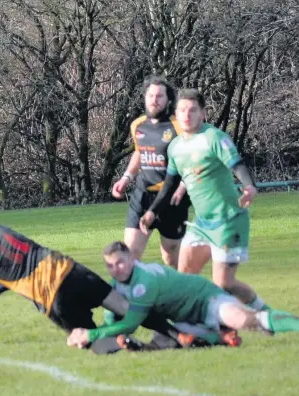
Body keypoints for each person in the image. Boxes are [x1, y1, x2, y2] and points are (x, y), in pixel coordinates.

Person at [0, 216, 204, 353]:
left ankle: (129, 348)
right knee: (123, 305)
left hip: (51, 296)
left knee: (92, 341)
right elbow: (8, 280)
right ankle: (179, 335)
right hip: (69, 270)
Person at [139, 89, 270, 311]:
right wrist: (152, 211)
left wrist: (249, 186)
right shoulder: (175, 147)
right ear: (176, 114)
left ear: (203, 114)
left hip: (228, 221)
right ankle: (201, 327)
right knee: (184, 280)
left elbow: (236, 164)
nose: (187, 115)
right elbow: (170, 184)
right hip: (201, 225)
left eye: (192, 110)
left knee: (224, 284)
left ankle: (264, 313)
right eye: (182, 110)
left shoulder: (214, 137)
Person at [67, 242, 299, 348]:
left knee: (246, 321)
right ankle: (220, 336)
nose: (116, 269)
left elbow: (131, 323)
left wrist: (92, 334)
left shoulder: (144, 281)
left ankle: (290, 323)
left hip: (205, 300)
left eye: (120, 263)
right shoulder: (116, 286)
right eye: (110, 266)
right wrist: (105, 340)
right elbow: (113, 318)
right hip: (183, 319)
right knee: (178, 341)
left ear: (131, 259)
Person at [111, 75, 189, 268]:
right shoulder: (137, 125)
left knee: (170, 254)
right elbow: (139, 151)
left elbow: (191, 160)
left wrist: (183, 186)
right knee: (130, 254)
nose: (154, 99)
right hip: (143, 195)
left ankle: (179, 293)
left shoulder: (179, 127)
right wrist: (126, 177)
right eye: (150, 95)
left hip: (172, 199)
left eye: (159, 96)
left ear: (168, 100)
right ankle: (131, 296)